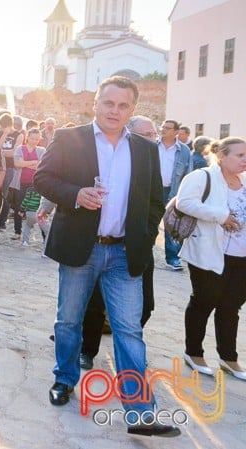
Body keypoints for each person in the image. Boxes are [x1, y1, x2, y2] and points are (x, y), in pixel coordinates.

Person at [34, 76, 178, 438]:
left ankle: (140, 412)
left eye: (123, 106)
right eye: (109, 103)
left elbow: (155, 201)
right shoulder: (70, 138)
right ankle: (65, 379)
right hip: (82, 247)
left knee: (129, 331)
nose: (115, 111)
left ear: (132, 110)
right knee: (69, 320)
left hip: (124, 252)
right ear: (96, 103)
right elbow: (43, 178)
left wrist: (143, 238)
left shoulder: (145, 150)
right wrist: (76, 194)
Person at [79, 116, 158, 371]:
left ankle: (128, 353)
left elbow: (157, 201)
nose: (151, 138)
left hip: (135, 245)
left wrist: (146, 236)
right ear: (130, 135)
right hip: (99, 243)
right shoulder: (112, 155)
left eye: (153, 133)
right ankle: (86, 350)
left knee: (145, 305)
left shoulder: (150, 155)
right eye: (145, 134)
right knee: (94, 302)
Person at [177, 136, 246, 381]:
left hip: (241, 256)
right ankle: (193, 353)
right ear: (222, 155)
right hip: (209, 252)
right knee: (204, 301)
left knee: (231, 307)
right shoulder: (201, 177)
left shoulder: (244, 181)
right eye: (240, 155)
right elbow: (184, 203)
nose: (245, 160)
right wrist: (221, 215)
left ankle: (228, 358)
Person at [159, 119, 193, 271]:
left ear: (176, 132)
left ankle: (172, 259)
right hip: (153, 190)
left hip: (173, 192)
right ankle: (145, 256)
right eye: (162, 127)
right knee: (149, 223)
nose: (163, 130)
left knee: (172, 226)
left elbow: (188, 174)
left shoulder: (184, 151)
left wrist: (186, 194)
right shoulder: (152, 146)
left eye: (167, 128)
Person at [13, 128, 45, 246]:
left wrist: (26, 163)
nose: (35, 141)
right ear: (28, 137)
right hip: (21, 182)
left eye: (37, 139)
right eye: (32, 138)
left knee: (35, 208)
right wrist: (34, 162)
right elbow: (17, 163)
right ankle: (17, 231)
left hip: (35, 183)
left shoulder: (42, 150)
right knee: (19, 206)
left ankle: (43, 235)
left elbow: (41, 166)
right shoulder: (20, 148)